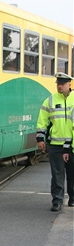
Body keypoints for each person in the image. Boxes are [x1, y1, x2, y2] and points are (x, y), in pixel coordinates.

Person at [37, 72, 74, 212]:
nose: (59, 86)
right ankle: (57, 201)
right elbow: (42, 121)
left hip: (72, 146)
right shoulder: (50, 101)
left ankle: (73, 198)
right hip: (56, 145)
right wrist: (40, 139)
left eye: (62, 84)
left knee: (72, 174)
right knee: (57, 174)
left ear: (69, 84)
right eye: (58, 84)